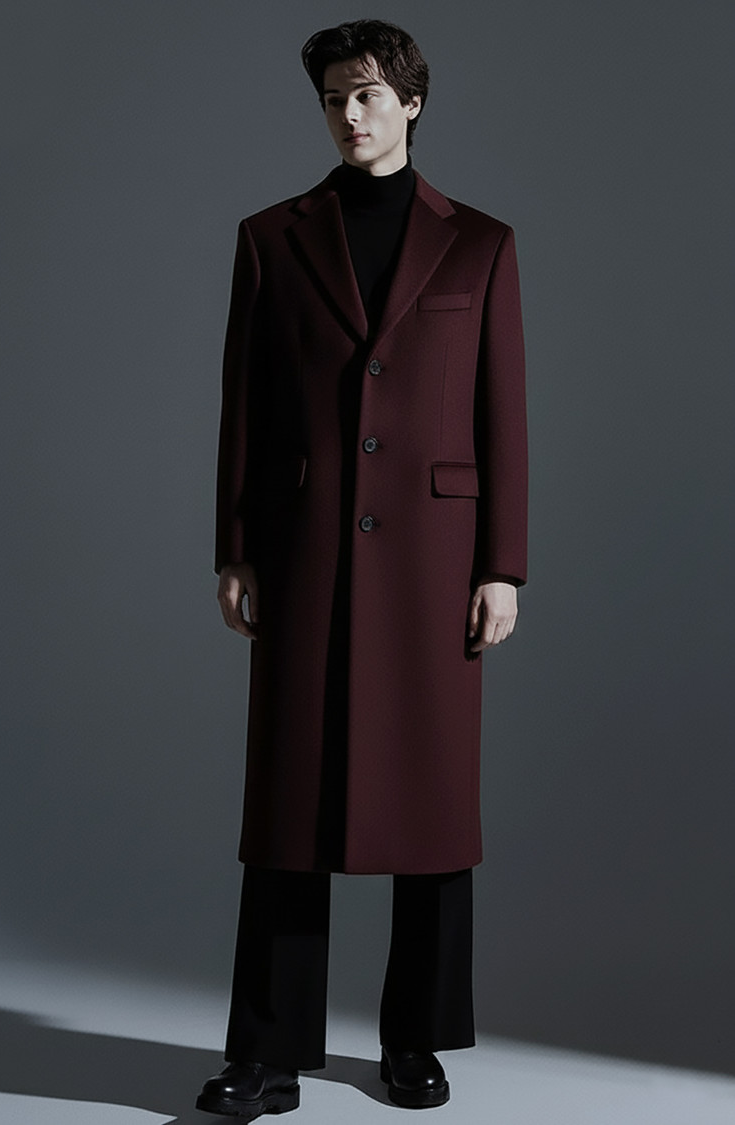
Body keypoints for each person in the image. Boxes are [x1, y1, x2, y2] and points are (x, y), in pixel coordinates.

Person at [196, 18, 528, 1120]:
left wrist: (503, 565)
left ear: (412, 102)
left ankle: (414, 1041)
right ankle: (268, 1054)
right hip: (304, 551)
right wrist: (235, 547)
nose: (350, 114)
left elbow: (503, 415)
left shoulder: (481, 245)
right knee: (290, 803)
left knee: (432, 803)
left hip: (435, 562)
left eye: (370, 94)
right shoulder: (271, 238)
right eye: (336, 97)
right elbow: (245, 407)